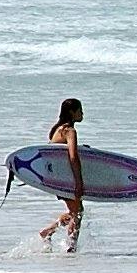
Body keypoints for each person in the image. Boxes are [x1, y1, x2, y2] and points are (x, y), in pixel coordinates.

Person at [38, 96, 86, 250]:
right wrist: (79, 181)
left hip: (56, 178)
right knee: (77, 212)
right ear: (72, 112)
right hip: (66, 179)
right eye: (79, 110)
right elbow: (73, 157)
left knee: (74, 211)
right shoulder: (69, 131)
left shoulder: (57, 130)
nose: (82, 113)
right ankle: (71, 247)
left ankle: (48, 231)